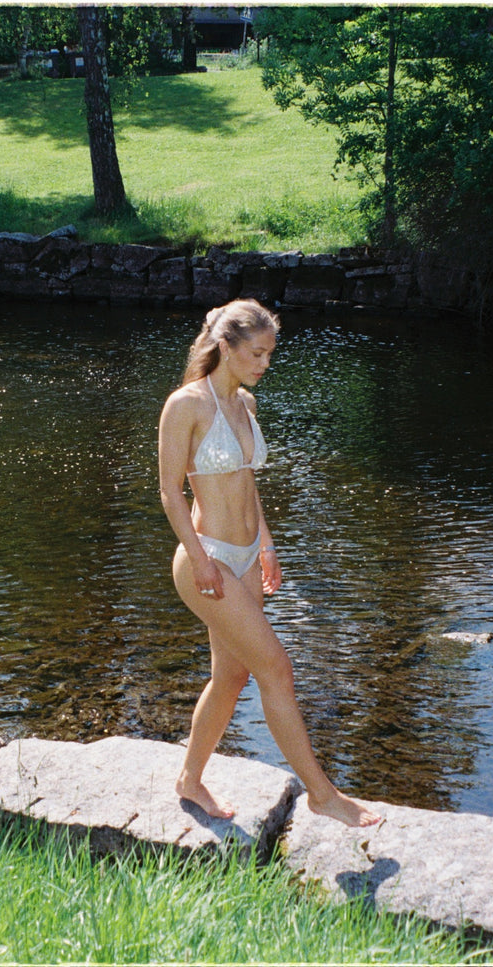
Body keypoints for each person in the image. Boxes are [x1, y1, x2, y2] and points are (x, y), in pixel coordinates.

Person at [157, 299, 382, 828]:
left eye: (269, 353)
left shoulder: (247, 404)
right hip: (205, 561)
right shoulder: (185, 405)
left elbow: (246, 482)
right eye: (256, 353)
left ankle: (190, 778)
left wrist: (267, 544)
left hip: (244, 557)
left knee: (231, 676)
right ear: (226, 346)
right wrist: (198, 557)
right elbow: (170, 493)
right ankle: (322, 793)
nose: (264, 363)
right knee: (277, 669)